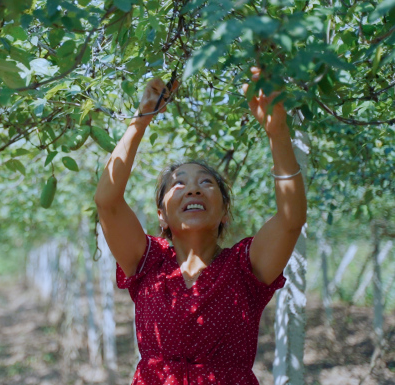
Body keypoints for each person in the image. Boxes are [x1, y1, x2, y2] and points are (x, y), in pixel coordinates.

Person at [94, 70, 307, 384]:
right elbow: (107, 201)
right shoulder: (149, 263)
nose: (192, 189)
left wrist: (278, 131)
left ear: (224, 212)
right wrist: (141, 119)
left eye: (206, 183)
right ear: (161, 215)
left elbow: (291, 220)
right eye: (178, 185)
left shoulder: (245, 268)